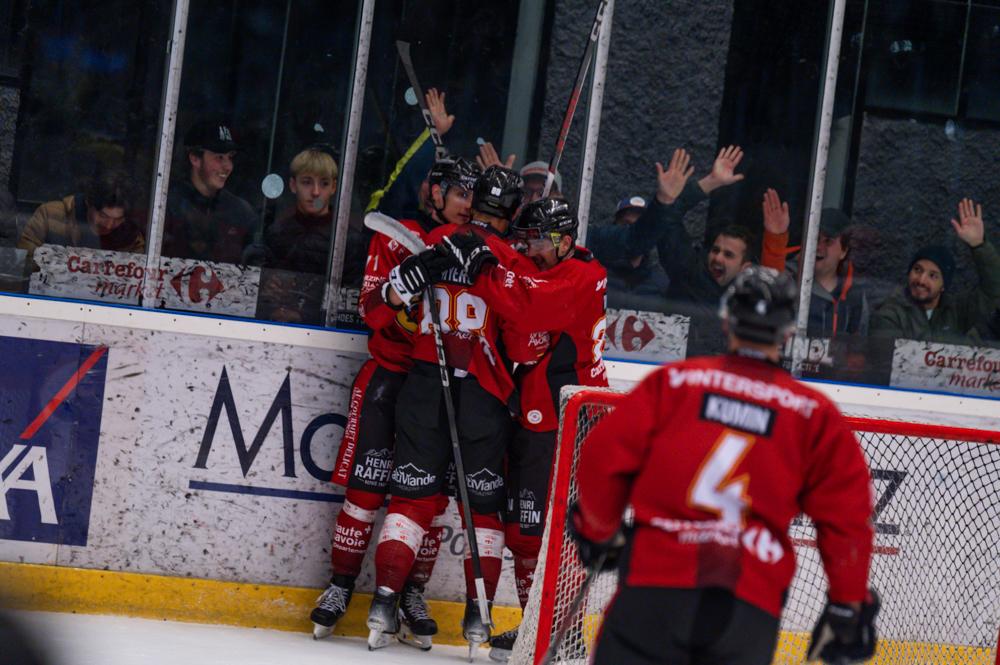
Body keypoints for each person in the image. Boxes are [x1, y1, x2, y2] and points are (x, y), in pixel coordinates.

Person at [570, 265, 879, 665]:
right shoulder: (813, 414)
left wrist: (600, 533)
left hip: (655, 588)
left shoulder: (676, 383)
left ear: (726, 318)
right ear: (788, 332)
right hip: (747, 609)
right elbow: (848, 519)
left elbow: (601, 455)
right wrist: (846, 605)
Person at [369, 166, 584, 656]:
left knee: (411, 500)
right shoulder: (512, 260)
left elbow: (384, 305)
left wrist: (420, 273)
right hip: (485, 394)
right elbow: (525, 344)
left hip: (424, 383)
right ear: (512, 214)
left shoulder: (437, 239)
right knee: (481, 510)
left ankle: (383, 603)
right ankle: (477, 617)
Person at [309, 156, 478, 649]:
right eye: (461, 193)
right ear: (435, 192)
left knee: (428, 499)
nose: (469, 204)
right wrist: (405, 283)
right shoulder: (396, 234)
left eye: (474, 195)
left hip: (445, 388)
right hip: (389, 379)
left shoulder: (477, 247)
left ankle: (411, 593)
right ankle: (340, 586)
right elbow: (371, 311)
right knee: (365, 490)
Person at [486, 198, 609, 662]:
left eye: (538, 240)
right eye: (528, 239)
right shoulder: (568, 266)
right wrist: (506, 253)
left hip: (571, 418)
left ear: (563, 240)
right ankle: (546, 630)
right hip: (550, 411)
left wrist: (491, 258)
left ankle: (562, 634)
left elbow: (527, 307)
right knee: (531, 529)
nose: (531, 248)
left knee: (547, 531)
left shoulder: (582, 276)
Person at [871, 198, 1000, 343]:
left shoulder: (956, 311)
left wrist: (978, 245)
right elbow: (886, 358)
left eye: (933, 276)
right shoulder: (891, 312)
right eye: (917, 270)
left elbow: (993, 290)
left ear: (943, 285)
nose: (921, 280)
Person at [761, 191, 870, 337]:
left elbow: (858, 351)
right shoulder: (788, 276)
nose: (819, 247)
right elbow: (769, 287)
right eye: (815, 238)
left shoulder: (855, 298)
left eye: (828, 241)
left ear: (844, 251)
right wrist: (775, 238)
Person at [257, 145, 339, 323]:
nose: (316, 192)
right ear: (293, 185)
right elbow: (259, 295)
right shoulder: (275, 234)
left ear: (333, 187)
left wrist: (305, 315)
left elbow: (345, 302)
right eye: (307, 182)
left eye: (324, 183)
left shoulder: (346, 240)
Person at [162, 120, 255, 264]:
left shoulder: (241, 212)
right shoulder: (165, 204)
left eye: (230, 157)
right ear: (195, 158)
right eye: (219, 157)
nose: (228, 166)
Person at [18, 169, 145, 268]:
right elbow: (23, 259)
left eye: (118, 219)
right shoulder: (49, 215)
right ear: (88, 202)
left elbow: (136, 276)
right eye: (103, 216)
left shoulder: (131, 236)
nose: (109, 225)